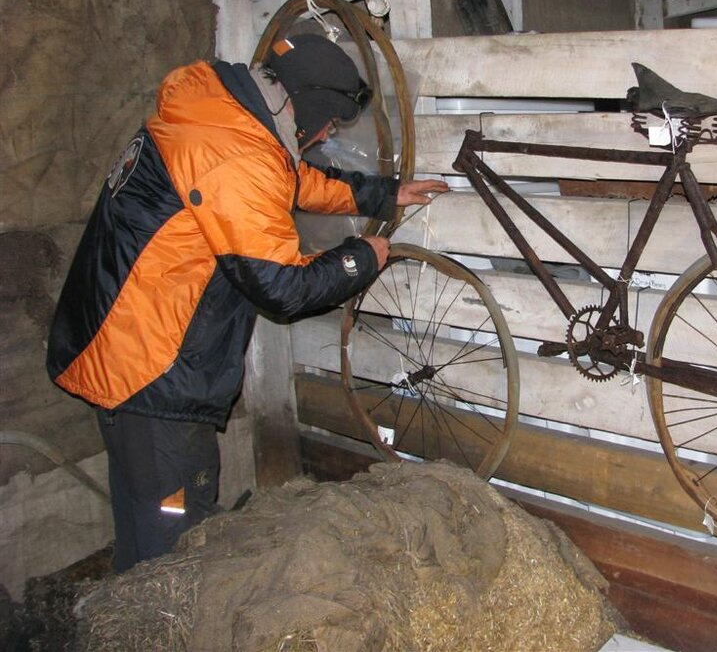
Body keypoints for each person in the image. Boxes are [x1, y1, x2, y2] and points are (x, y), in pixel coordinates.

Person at [46, 33, 448, 572]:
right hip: (150, 372)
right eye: (328, 122)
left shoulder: (225, 116)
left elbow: (291, 180)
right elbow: (281, 290)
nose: (328, 134)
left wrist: (382, 193)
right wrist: (361, 259)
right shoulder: (234, 155)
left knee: (149, 523)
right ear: (304, 106)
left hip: (124, 345)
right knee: (173, 549)